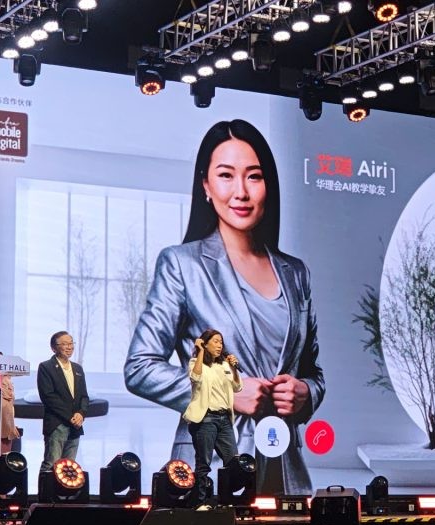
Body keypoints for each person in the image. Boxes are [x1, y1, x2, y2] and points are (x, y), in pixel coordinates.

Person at [125, 119, 324, 495]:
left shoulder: (296, 274)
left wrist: (306, 393)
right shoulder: (182, 264)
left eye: (253, 177)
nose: (241, 192)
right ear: (206, 186)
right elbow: (139, 368)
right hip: (209, 466)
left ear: (269, 186)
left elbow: (313, 373)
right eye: (226, 175)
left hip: (285, 466)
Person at [185, 329, 242, 508]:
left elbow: (237, 387)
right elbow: (196, 377)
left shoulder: (224, 365)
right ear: (205, 343)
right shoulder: (195, 362)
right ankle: (199, 502)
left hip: (224, 419)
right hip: (205, 419)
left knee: (233, 461)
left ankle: (227, 500)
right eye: (216, 341)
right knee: (204, 463)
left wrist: (233, 367)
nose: (220, 345)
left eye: (221, 342)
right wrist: (200, 351)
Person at [37, 331, 89, 472]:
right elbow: (48, 396)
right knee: (51, 464)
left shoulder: (78, 369)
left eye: (71, 343)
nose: (69, 347)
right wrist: (70, 416)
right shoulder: (46, 367)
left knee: (69, 468)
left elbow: (84, 396)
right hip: (57, 424)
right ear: (54, 348)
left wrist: (81, 414)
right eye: (64, 344)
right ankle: (46, 494)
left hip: (75, 425)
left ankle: (65, 494)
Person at [0, 349, 21, 455]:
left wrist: (12, 426)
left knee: (4, 460)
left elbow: (9, 408)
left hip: (6, 429)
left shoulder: (6, 380)